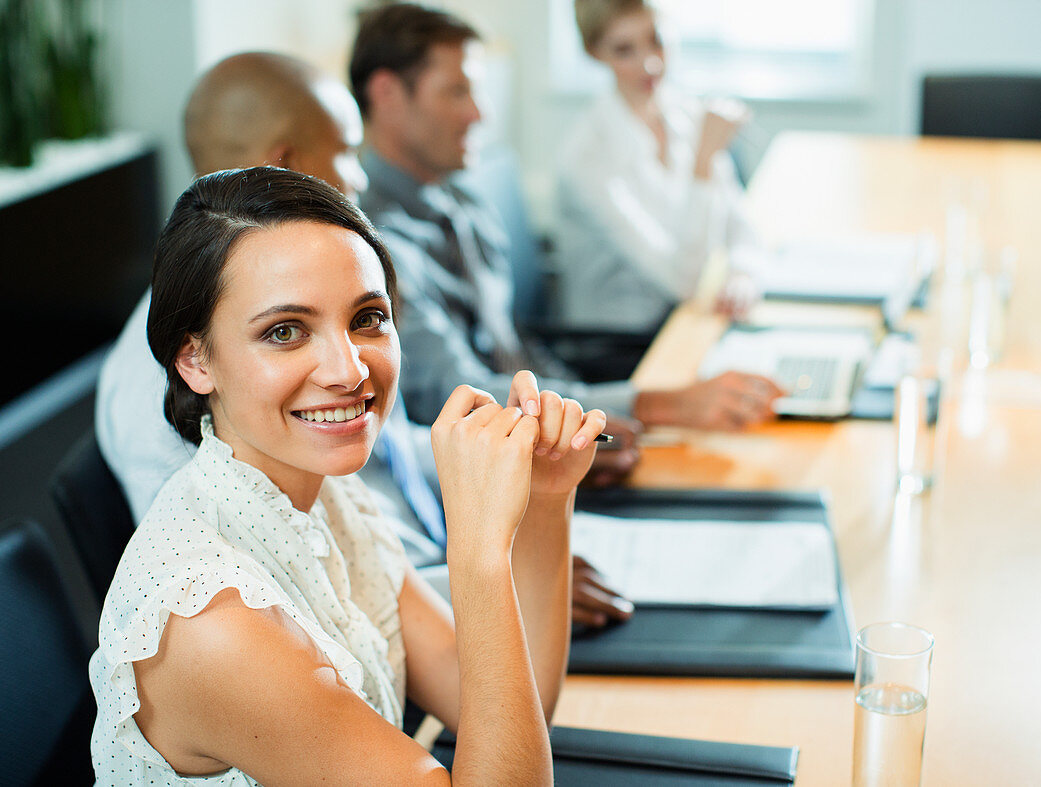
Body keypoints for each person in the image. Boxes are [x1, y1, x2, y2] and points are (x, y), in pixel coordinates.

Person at [90, 167, 598, 784]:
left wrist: (546, 498)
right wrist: (478, 549)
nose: (349, 369)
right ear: (196, 361)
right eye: (285, 331)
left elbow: (510, 708)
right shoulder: (214, 624)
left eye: (367, 319)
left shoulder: (323, 495)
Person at [95, 52, 632, 626]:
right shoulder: (170, 378)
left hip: (421, 594)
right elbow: (283, 595)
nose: (363, 176)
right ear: (287, 166)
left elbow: (385, 462)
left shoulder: (328, 323)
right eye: (348, 150)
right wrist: (490, 578)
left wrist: (512, 457)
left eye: (368, 320)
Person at [350, 3, 781, 435]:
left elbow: (516, 353)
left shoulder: (463, 201)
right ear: (386, 94)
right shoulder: (372, 250)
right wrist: (654, 406)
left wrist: (591, 410)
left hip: (552, 423)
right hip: (496, 461)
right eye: (457, 92)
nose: (481, 114)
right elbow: (461, 394)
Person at [556, 0, 766, 334]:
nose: (651, 64)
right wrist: (703, 161)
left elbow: (739, 222)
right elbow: (684, 282)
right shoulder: (586, 157)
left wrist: (743, 273)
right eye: (625, 50)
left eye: (657, 40)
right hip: (624, 341)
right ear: (595, 52)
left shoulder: (684, 111)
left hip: (684, 319)